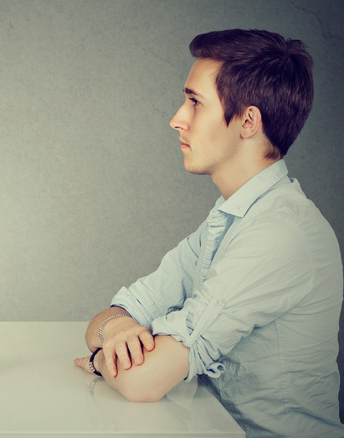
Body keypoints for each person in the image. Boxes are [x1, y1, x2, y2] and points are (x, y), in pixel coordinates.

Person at [75, 29, 344, 437]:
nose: (177, 118)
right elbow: (120, 309)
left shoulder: (280, 234)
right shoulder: (230, 218)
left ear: (248, 122)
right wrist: (116, 331)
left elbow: (143, 381)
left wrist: (100, 358)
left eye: (195, 102)